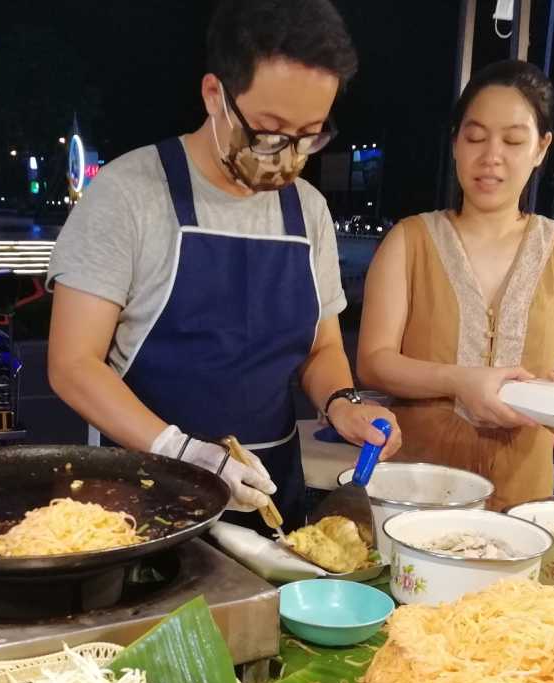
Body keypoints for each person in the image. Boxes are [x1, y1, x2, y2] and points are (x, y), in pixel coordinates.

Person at [46, 0, 401, 532]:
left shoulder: (308, 210)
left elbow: (322, 347)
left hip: (271, 494)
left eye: (308, 135)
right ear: (215, 95)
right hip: (142, 496)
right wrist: (184, 451)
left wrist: (342, 403)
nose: (288, 156)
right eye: (269, 131)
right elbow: (73, 364)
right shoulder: (128, 194)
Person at [356, 61, 554, 510]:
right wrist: (459, 381)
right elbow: (374, 363)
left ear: (541, 148)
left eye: (513, 141)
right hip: (415, 492)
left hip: (524, 495)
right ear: (455, 143)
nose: (491, 156)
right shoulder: (409, 240)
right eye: (475, 138)